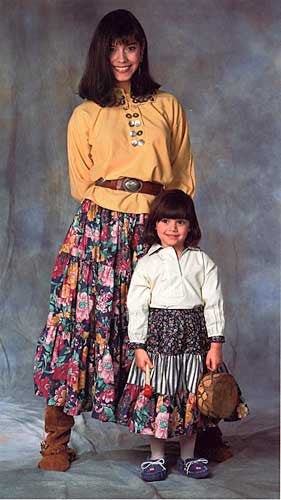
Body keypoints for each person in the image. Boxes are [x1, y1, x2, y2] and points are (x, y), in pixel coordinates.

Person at [33, 9, 195, 472]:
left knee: (174, 322)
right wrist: (109, 221)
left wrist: (166, 227)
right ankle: (56, 439)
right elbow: (82, 182)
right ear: (100, 54)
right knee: (79, 324)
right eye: (112, 48)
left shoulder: (168, 106)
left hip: (156, 225)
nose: (122, 58)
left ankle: (195, 427)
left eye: (130, 47)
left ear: (142, 50)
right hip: (99, 229)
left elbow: (182, 177)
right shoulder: (85, 113)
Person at [117, 189, 248, 481]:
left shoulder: (202, 262)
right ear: (155, 225)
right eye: (165, 221)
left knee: (190, 396)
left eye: (180, 222)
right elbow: (136, 306)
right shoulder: (148, 263)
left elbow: (214, 303)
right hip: (158, 342)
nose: (172, 228)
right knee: (160, 395)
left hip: (194, 341)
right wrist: (139, 345)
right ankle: (156, 458)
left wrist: (215, 345)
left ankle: (188, 457)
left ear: (191, 226)